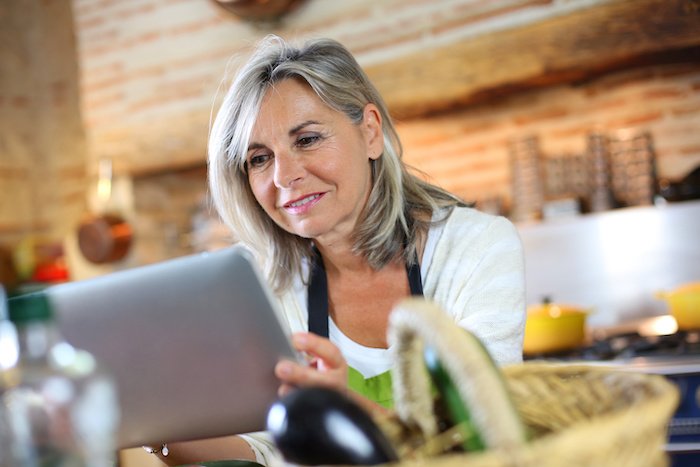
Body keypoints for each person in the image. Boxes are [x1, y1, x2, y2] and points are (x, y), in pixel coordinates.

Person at [148, 35, 525, 466]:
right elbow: (266, 451)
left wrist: (346, 411)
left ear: (370, 131)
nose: (284, 176)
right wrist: (150, 426)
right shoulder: (258, 283)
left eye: (306, 139)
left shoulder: (477, 248)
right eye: (259, 159)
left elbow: (488, 440)